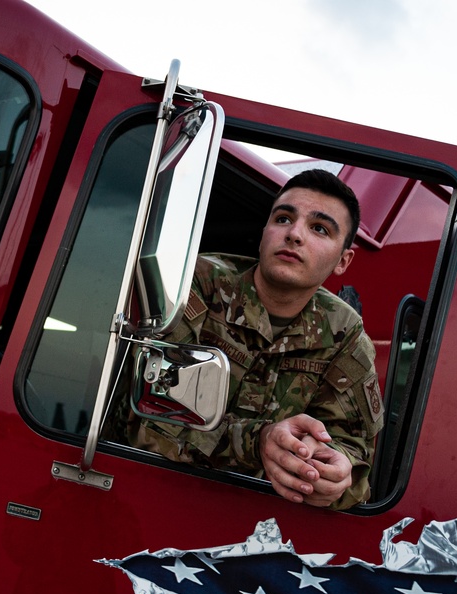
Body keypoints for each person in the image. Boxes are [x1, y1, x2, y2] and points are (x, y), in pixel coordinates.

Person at [126, 169, 383, 510]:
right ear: (264, 233)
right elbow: (147, 423)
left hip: (256, 527)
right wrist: (259, 442)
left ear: (343, 261)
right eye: (283, 218)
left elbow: (355, 456)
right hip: (144, 494)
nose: (294, 234)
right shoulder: (195, 286)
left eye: (319, 228)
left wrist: (330, 473)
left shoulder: (345, 335)